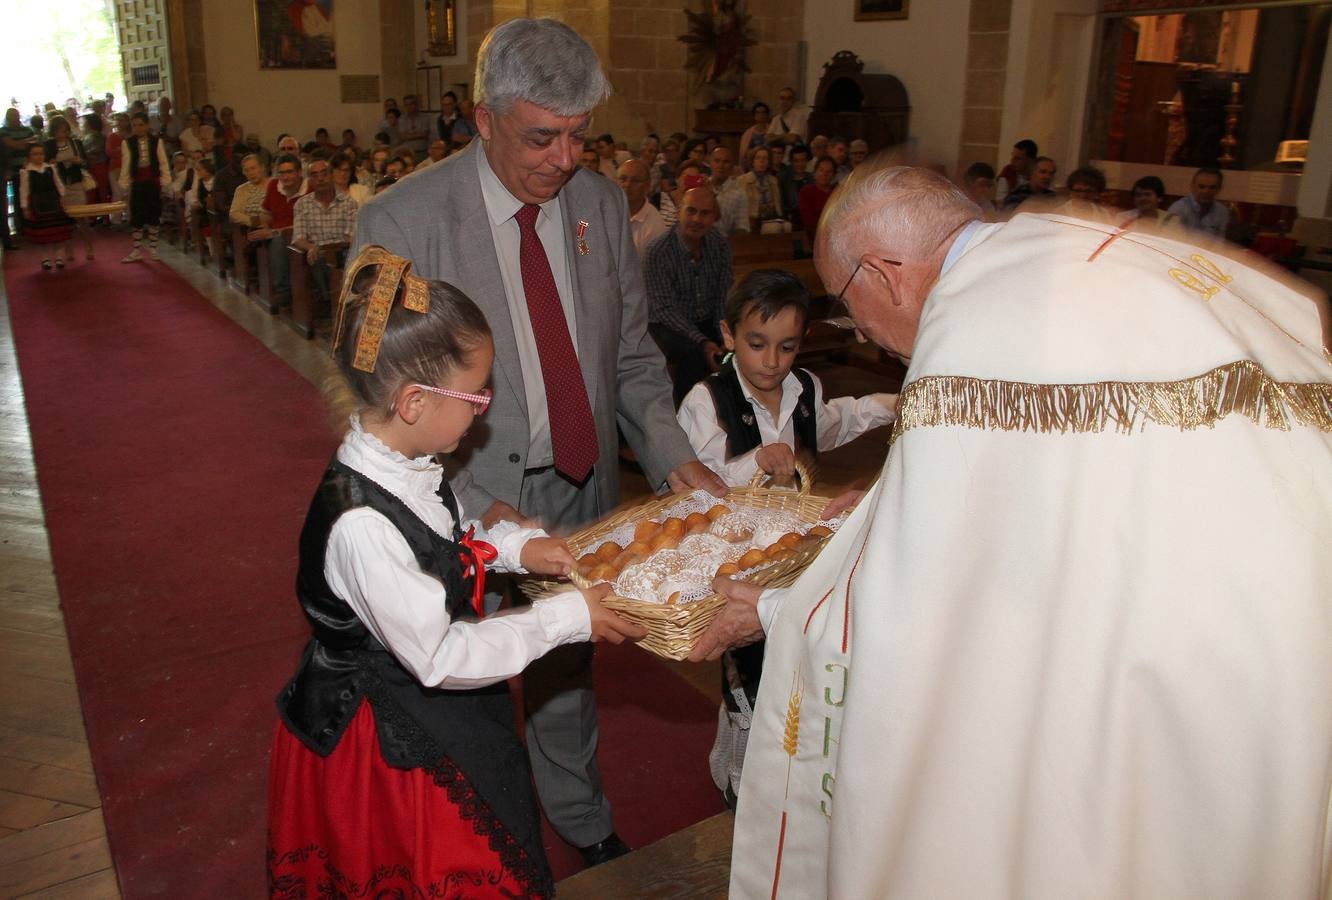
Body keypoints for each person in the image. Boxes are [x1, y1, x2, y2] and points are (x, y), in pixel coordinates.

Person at [692, 163, 1332, 897]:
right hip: (1286, 639)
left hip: (1171, 667)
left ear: (884, 273)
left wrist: (772, 608)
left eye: (850, 308)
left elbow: (925, 605)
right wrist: (888, 498)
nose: (864, 331)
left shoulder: (969, 339)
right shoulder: (1066, 250)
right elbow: (1044, 487)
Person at [349, 16, 726, 869]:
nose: (564, 159)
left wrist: (677, 460)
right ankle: (477, 843)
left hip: (583, 488)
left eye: (579, 135)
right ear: (483, 119)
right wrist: (480, 508)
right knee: (462, 687)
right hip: (466, 503)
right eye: (541, 137)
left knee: (566, 667)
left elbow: (630, 358)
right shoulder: (402, 221)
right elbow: (384, 404)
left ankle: (581, 815)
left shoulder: (596, 203)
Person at [267, 245, 646, 896]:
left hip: (434, 698)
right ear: (415, 402)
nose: (485, 407)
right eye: (476, 394)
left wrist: (512, 549)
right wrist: (564, 617)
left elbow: (442, 541)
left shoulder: (405, 464)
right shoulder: (362, 525)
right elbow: (438, 655)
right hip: (392, 732)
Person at [676, 268, 895, 806]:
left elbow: (830, 424)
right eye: (756, 344)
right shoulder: (706, 400)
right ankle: (739, 779)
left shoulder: (804, 390)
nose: (771, 361)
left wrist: (885, 405)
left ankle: (791, 773)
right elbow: (690, 486)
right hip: (736, 561)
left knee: (794, 662)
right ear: (728, 336)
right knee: (746, 675)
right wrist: (752, 461)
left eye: (786, 346)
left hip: (799, 556)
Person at [644, 186, 733, 405]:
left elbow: (723, 294)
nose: (696, 219)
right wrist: (703, 341)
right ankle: (686, 416)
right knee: (694, 356)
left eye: (705, 213)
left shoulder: (719, 244)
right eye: (691, 211)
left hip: (707, 319)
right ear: (678, 211)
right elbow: (664, 309)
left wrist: (723, 334)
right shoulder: (658, 250)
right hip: (668, 326)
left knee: (737, 346)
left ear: (714, 217)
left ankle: (730, 412)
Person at [290, 156, 358, 307]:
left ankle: (345, 302)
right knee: (318, 257)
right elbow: (298, 238)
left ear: (332, 175)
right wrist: (310, 247)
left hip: (342, 252)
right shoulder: (302, 204)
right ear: (309, 180)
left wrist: (334, 250)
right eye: (315, 175)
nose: (320, 179)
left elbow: (351, 237)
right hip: (317, 253)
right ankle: (329, 300)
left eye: (324, 173)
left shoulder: (349, 203)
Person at [250, 152, 306, 294]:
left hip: (301, 236)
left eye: (289, 172)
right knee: (256, 237)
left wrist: (274, 232)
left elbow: (305, 225)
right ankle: (265, 286)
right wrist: (265, 226)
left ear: (299, 172)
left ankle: (284, 291)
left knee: (279, 241)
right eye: (281, 173)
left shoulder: (309, 190)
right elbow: (265, 212)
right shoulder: (274, 185)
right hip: (276, 234)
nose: (285, 177)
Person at [119, 112, 171, 262]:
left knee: (154, 214)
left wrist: (165, 182)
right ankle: (137, 250)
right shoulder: (127, 143)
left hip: (153, 182)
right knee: (137, 216)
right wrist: (124, 185)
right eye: (134, 125)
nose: (138, 128)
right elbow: (126, 165)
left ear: (147, 125)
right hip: (137, 183)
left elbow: (163, 163)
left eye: (141, 125)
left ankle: (153, 249)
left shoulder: (156, 142)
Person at [18, 143, 74, 269]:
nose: (39, 157)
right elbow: (24, 190)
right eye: (35, 154)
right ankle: (45, 259)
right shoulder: (26, 171)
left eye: (41, 153)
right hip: (37, 205)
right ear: (29, 156)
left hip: (53, 202)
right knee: (41, 235)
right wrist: (25, 207)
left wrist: (63, 198)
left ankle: (59, 257)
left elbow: (58, 184)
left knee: (58, 233)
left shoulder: (50, 168)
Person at [2, 107, 37, 250]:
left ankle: (34, 225)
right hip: (14, 172)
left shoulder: (27, 129)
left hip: (29, 169)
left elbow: (33, 145)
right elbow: (12, 145)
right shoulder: (3, 131)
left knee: (32, 198)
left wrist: (21, 144)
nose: (15, 119)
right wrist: (24, 143)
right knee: (17, 200)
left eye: (16, 116)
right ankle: (21, 228)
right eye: (12, 117)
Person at [617, 157, 666, 257]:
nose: (627, 184)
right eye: (623, 179)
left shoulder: (656, 227)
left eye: (635, 181)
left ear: (647, 186)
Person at [1167, 166, 1229, 239]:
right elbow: (1170, 239)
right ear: (1192, 186)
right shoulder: (1178, 209)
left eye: (1212, 187)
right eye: (1201, 187)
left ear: (1219, 189)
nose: (1206, 191)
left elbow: (1220, 242)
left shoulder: (1222, 212)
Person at [735, 145, 784, 232]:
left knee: (787, 226)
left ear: (769, 163)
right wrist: (759, 208)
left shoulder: (773, 180)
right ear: (752, 161)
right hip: (752, 220)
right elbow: (740, 206)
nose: (762, 161)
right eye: (758, 158)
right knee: (775, 228)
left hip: (770, 217)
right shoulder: (742, 180)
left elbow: (777, 206)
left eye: (765, 158)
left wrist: (772, 207)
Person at [798, 156, 838, 242]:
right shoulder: (806, 192)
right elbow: (808, 219)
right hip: (815, 234)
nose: (825, 174)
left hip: (837, 232)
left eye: (829, 171)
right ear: (815, 172)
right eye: (821, 170)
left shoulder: (838, 193)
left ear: (834, 175)